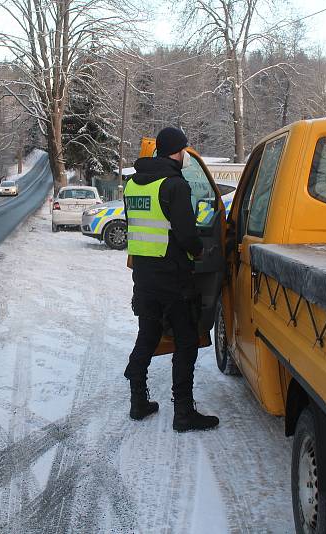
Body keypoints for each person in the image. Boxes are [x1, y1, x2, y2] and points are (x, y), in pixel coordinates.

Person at [123, 127, 220, 432]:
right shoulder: (175, 185)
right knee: (186, 341)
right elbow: (187, 233)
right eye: (184, 151)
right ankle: (183, 412)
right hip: (174, 278)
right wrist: (199, 252)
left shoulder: (133, 185)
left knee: (148, 335)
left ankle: (138, 401)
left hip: (144, 277)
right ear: (177, 152)